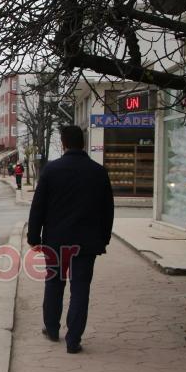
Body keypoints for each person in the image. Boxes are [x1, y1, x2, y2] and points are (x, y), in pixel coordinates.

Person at [27, 126, 114, 354]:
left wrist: (34, 237)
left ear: (64, 144)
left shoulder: (51, 170)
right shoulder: (98, 172)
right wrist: (103, 238)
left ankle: (52, 329)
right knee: (80, 289)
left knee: (54, 283)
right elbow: (108, 210)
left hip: (56, 242)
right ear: (83, 144)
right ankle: (73, 340)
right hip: (87, 243)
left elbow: (38, 207)